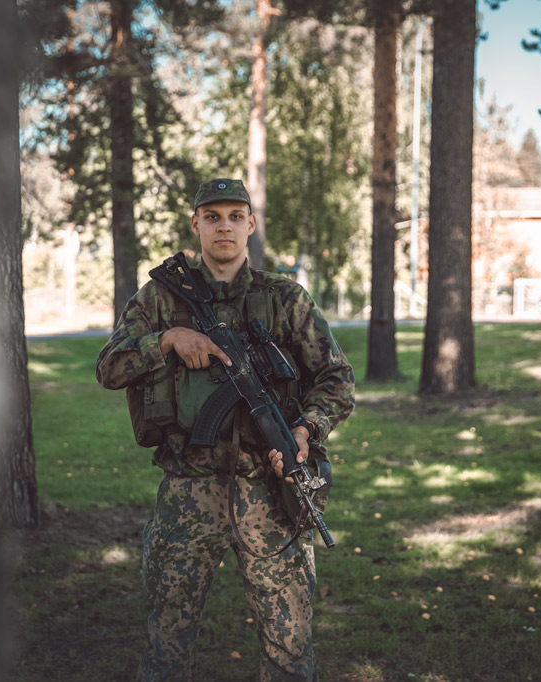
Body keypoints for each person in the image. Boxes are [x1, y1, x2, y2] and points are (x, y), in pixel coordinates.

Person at [95, 178, 355, 682]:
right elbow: (109, 368)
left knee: (289, 645)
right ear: (196, 224)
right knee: (167, 640)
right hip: (189, 491)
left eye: (236, 216)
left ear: (251, 225)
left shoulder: (284, 298)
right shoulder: (161, 298)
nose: (224, 227)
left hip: (270, 492)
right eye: (212, 217)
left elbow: (337, 379)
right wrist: (169, 339)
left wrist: (306, 430)